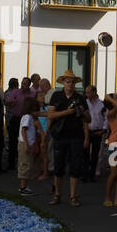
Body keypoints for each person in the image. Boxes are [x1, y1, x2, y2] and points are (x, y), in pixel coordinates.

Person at [47, 71, 89, 206]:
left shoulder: (80, 98)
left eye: (72, 82)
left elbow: (88, 119)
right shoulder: (56, 95)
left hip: (76, 136)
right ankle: (57, 194)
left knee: (75, 167)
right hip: (60, 136)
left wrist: (82, 111)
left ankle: (73, 196)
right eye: (67, 81)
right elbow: (50, 115)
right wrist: (67, 112)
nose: (70, 84)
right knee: (58, 167)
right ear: (63, 83)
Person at [17, 96, 41, 194]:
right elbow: (23, 130)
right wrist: (27, 144)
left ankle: (25, 186)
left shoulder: (28, 117)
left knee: (27, 164)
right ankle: (23, 188)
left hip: (27, 143)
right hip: (24, 144)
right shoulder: (27, 117)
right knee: (25, 164)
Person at [84, 85, 107, 183]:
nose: (87, 94)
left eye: (89, 92)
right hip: (87, 131)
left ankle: (92, 174)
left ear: (94, 92)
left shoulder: (102, 104)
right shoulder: (85, 103)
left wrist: (104, 130)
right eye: (86, 92)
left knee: (95, 154)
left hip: (97, 132)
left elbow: (106, 117)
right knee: (85, 153)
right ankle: (85, 174)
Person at [4, 78, 26, 172]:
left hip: (13, 118)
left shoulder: (6, 92)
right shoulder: (14, 93)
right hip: (15, 117)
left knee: (14, 141)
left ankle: (13, 161)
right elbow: (8, 103)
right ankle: (15, 161)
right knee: (16, 140)